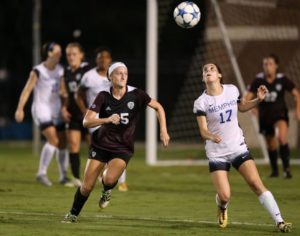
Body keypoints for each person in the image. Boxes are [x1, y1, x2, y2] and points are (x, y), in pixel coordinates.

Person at [62, 62, 170, 223]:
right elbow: (86, 122)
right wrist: (106, 119)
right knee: (86, 187)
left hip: (122, 147)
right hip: (100, 144)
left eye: (125, 73)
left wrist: (163, 130)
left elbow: (158, 107)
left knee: (110, 179)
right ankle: (73, 214)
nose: (123, 76)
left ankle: (107, 190)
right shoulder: (103, 95)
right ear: (110, 77)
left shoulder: (136, 94)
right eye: (118, 73)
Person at [193, 63, 292, 232]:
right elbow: (203, 130)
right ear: (203, 78)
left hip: (237, 147)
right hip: (217, 153)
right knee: (225, 195)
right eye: (205, 70)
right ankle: (222, 207)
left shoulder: (232, 90)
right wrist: (211, 136)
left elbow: (242, 106)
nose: (208, 71)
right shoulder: (201, 102)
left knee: (256, 183)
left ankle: (280, 221)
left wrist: (258, 100)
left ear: (219, 75)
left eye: (212, 69)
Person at [15, 42, 70, 186]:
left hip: (56, 109)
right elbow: (27, 90)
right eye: (58, 52)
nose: (60, 55)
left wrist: (64, 103)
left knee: (62, 143)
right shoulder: (38, 71)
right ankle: (41, 172)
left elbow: (63, 90)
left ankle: (63, 176)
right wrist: (20, 109)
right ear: (49, 53)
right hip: (41, 109)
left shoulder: (60, 70)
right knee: (53, 140)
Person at [76, 48, 128, 192]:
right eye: (100, 58)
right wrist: (85, 111)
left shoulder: (116, 75)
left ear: (110, 60)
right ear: (96, 60)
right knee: (100, 152)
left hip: (115, 119)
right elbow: (79, 94)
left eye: (106, 58)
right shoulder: (88, 76)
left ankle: (120, 181)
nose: (103, 60)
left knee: (118, 148)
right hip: (96, 120)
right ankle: (105, 180)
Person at [244, 54, 300, 178]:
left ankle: (287, 170)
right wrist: (250, 108)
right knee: (271, 144)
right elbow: (246, 98)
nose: (268, 67)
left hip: (280, 115)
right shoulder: (258, 80)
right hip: (265, 117)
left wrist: (298, 110)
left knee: (281, 138)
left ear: (276, 66)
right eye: (265, 64)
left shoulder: (282, 79)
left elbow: (296, 94)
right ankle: (275, 171)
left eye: (270, 64)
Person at [61, 42, 91, 187]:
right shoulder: (66, 72)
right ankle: (76, 179)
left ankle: (101, 175)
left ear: (81, 55)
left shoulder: (88, 69)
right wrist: (64, 108)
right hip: (73, 114)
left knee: (95, 146)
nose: (71, 57)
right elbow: (66, 94)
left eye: (74, 54)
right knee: (73, 145)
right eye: (68, 54)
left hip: (89, 114)